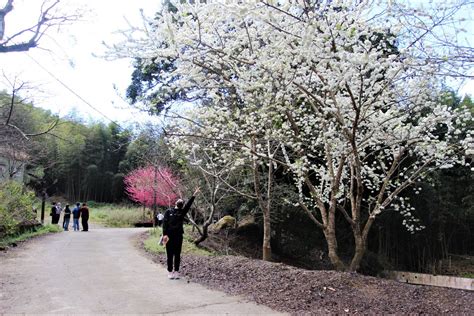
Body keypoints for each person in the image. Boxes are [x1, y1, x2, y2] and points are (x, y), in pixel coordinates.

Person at [162, 187, 200, 279]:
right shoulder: (168, 211)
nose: (180, 201)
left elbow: (189, 204)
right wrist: (165, 235)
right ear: (175, 203)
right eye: (179, 200)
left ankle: (176, 271)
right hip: (169, 236)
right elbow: (164, 224)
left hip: (178, 236)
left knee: (177, 254)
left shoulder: (182, 212)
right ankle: (170, 271)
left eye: (181, 201)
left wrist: (194, 194)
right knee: (169, 254)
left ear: (181, 205)